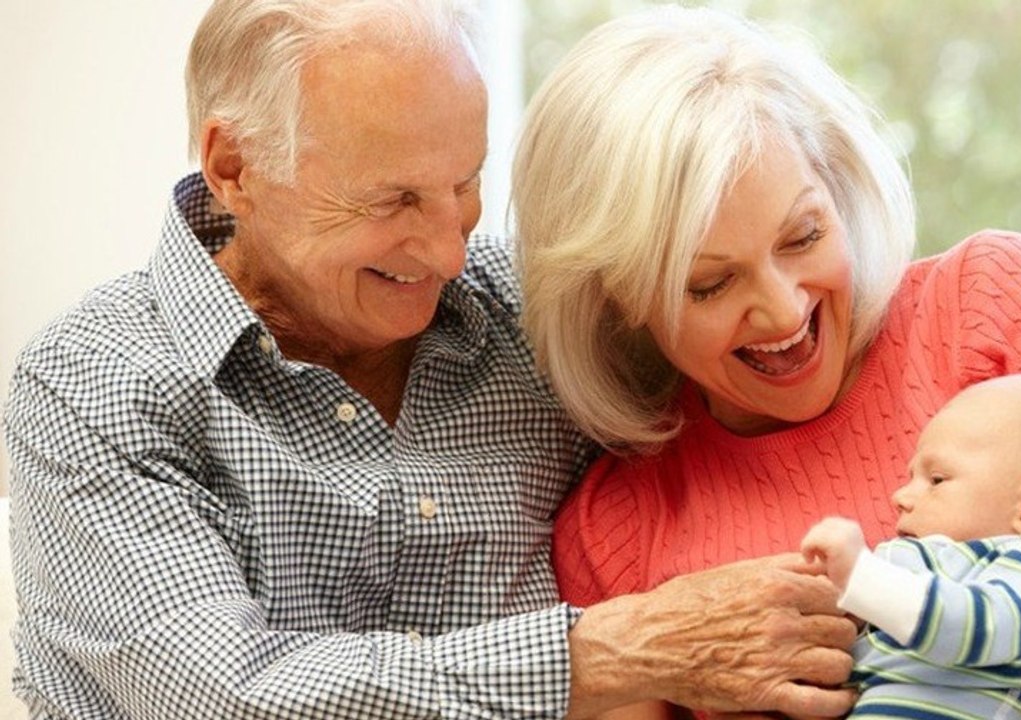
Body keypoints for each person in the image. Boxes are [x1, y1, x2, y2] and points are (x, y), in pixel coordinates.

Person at [3, 2, 863, 718]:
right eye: (397, 200)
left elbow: (761, 360)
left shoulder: (526, 318)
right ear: (236, 167)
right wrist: (614, 651)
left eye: (464, 184)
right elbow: (228, 697)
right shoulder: (93, 384)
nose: (451, 251)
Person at [511, 5, 1021, 720]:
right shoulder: (613, 526)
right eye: (711, 283)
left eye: (803, 236)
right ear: (619, 299)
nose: (781, 309)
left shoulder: (985, 303)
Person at [800, 373, 1021, 719]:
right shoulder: (927, 563)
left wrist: (863, 578)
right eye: (910, 477)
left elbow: (975, 626)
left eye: (936, 479)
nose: (900, 497)